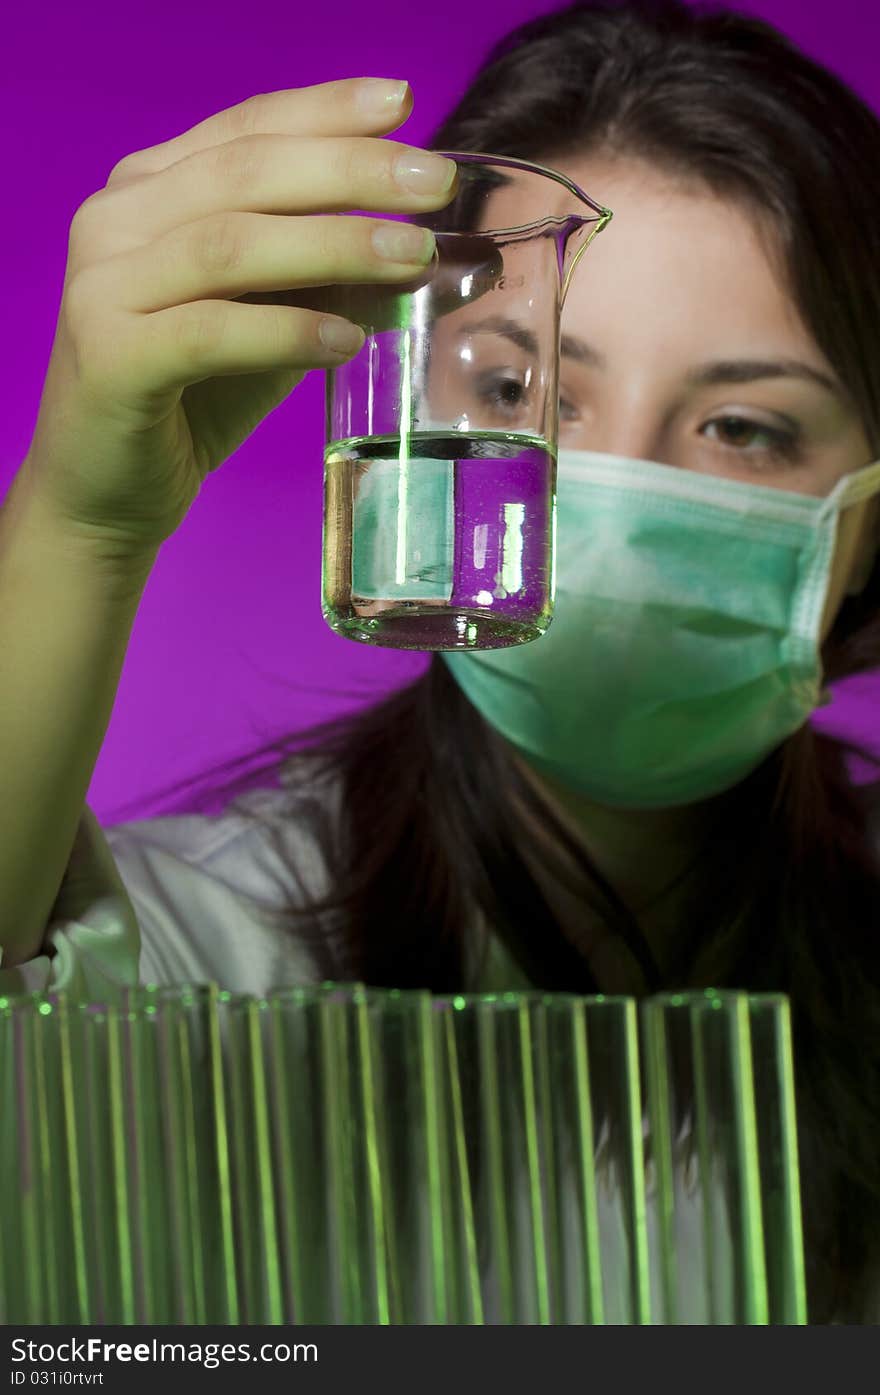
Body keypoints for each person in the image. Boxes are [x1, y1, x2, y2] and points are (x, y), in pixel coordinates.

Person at [2, 0, 879, 1324]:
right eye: (523, 395)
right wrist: (79, 533)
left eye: (744, 427)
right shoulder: (209, 964)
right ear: (414, 406)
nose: (616, 499)